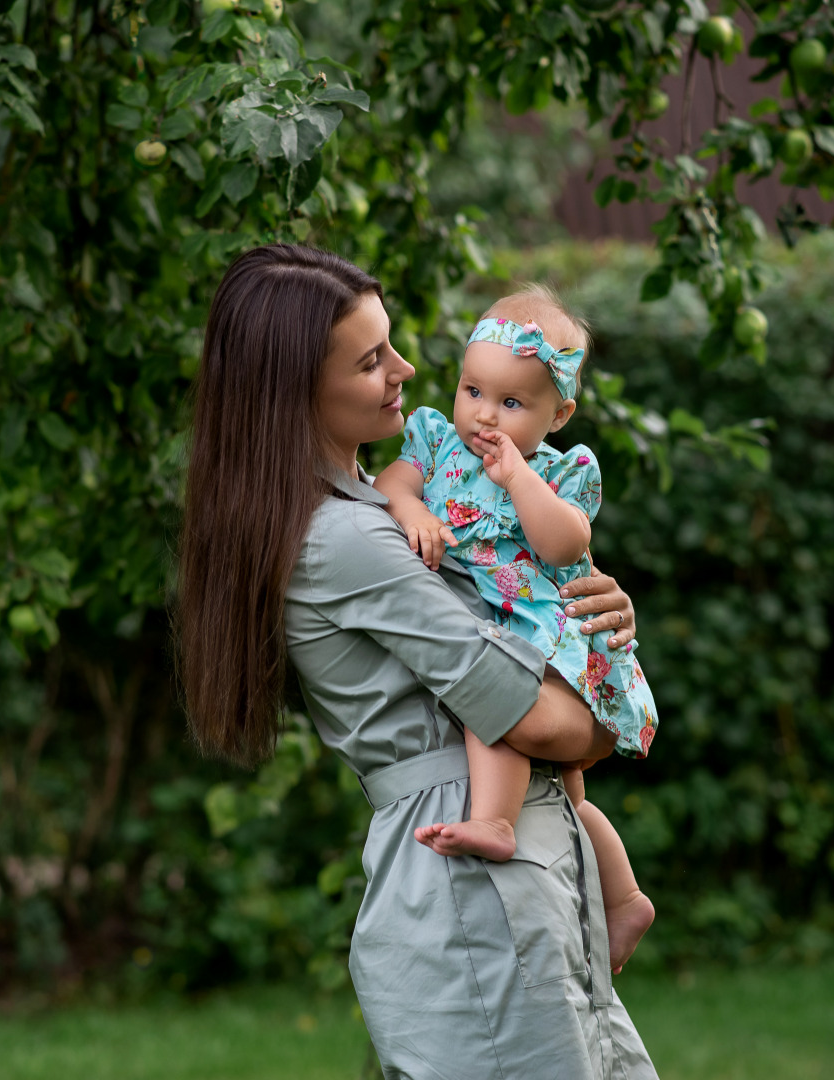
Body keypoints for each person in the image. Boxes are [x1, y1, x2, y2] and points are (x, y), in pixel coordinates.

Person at [177, 244, 659, 1079]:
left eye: (391, 344)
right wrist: (606, 692)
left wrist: (591, 614)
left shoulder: (391, 503)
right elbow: (534, 718)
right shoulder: (350, 537)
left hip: (511, 886)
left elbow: (523, 597)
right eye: (371, 360)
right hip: (476, 895)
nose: (404, 369)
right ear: (295, 388)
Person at [372, 285, 657, 973]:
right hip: (500, 625)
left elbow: (563, 545)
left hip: (544, 629)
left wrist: (519, 478)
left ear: (558, 414)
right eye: (473, 390)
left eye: (511, 403)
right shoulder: (435, 441)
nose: (484, 415)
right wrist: (412, 512)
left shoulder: (562, 470)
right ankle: (625, 899)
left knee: (492, 704)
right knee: (569, 797)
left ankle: (495, 822)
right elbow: (390, 485)